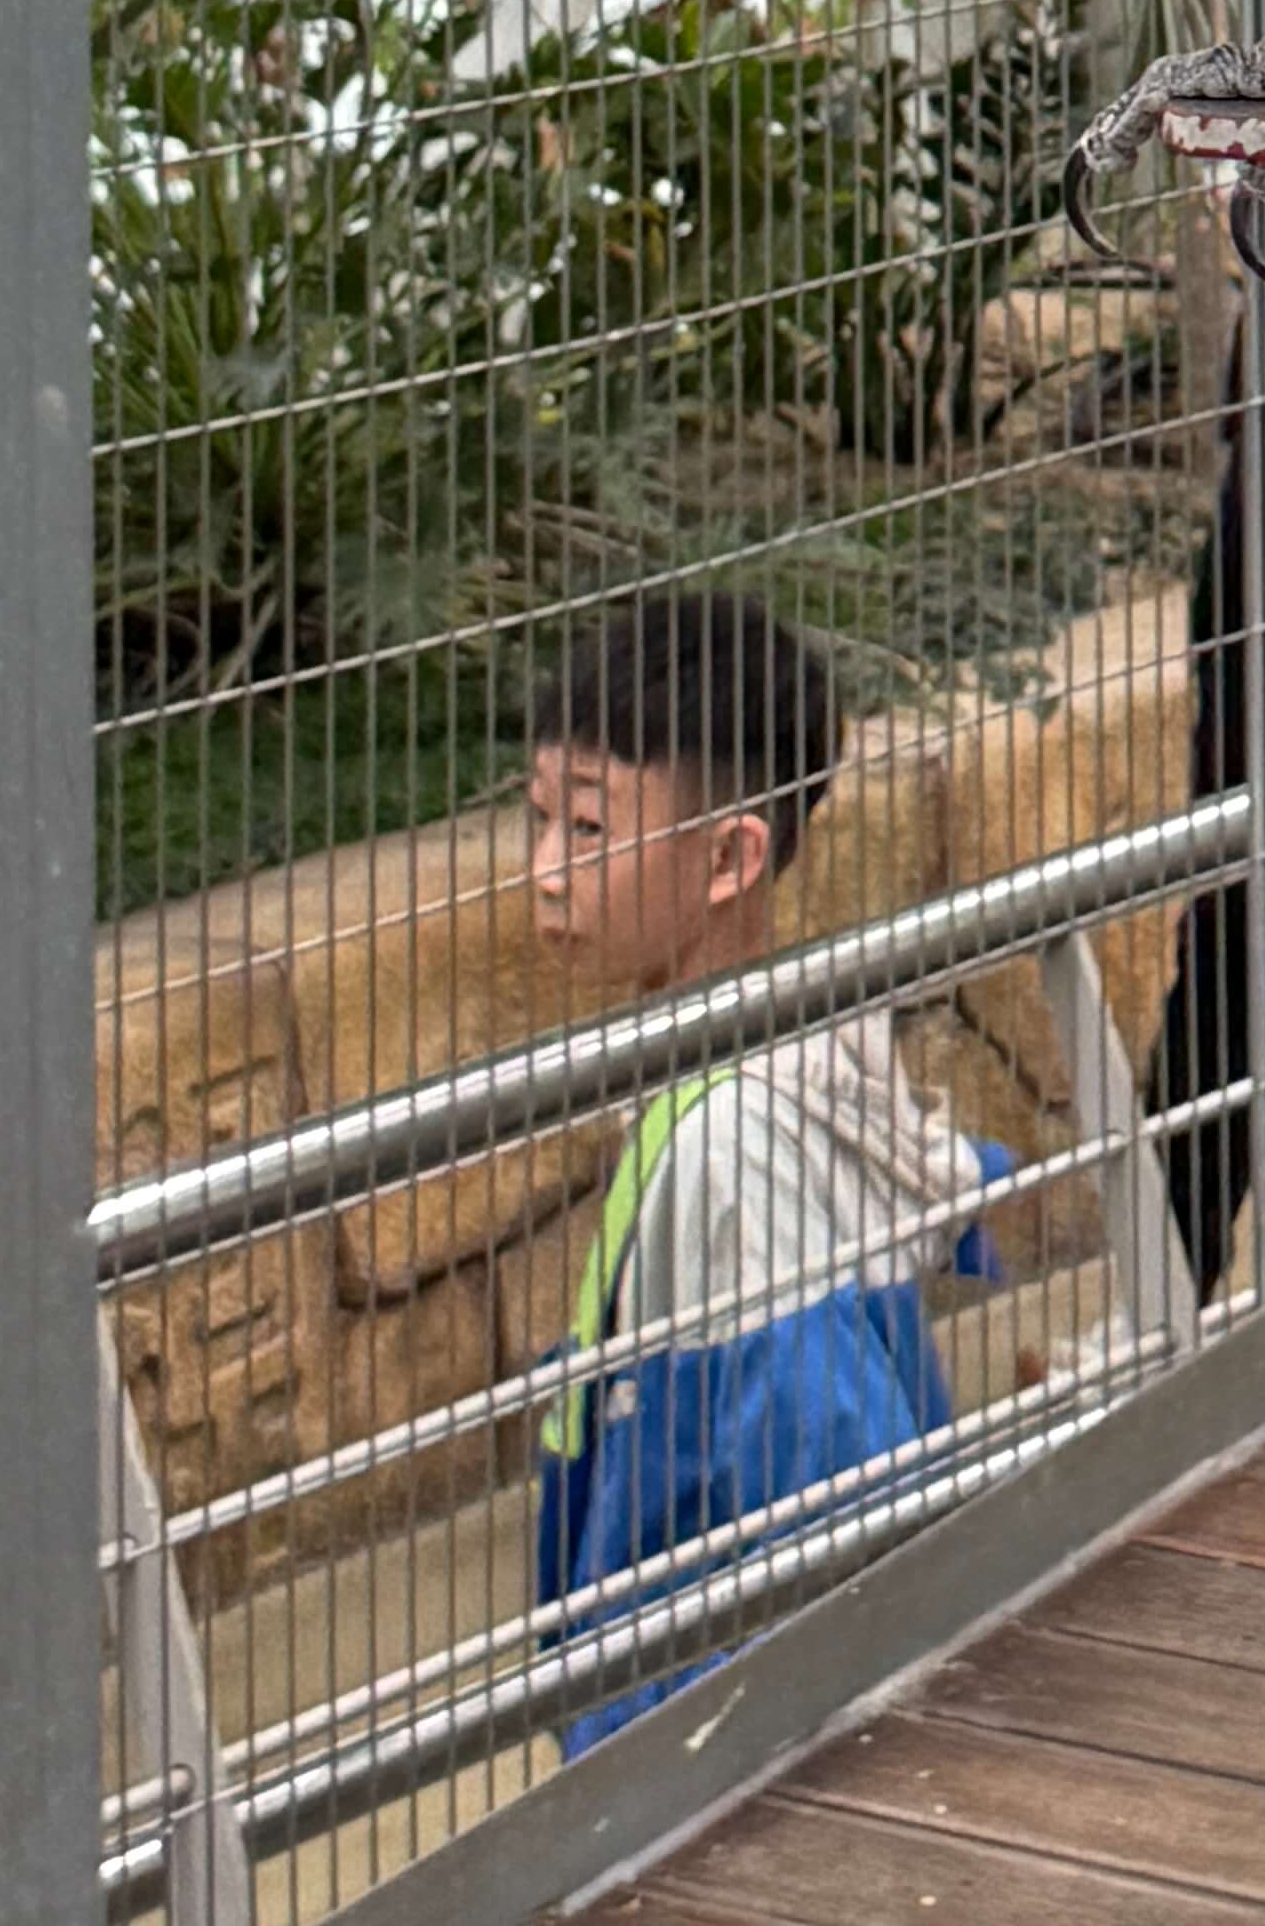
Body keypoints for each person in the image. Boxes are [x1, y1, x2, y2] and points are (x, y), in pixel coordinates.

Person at [522, 590, 999, 1747]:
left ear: (732, 857)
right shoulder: (791, 1055)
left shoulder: (731, 1146)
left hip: (709, 1740)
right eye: (536, 819)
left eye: (587, 831)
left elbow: (843, 1488)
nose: (540, 870)